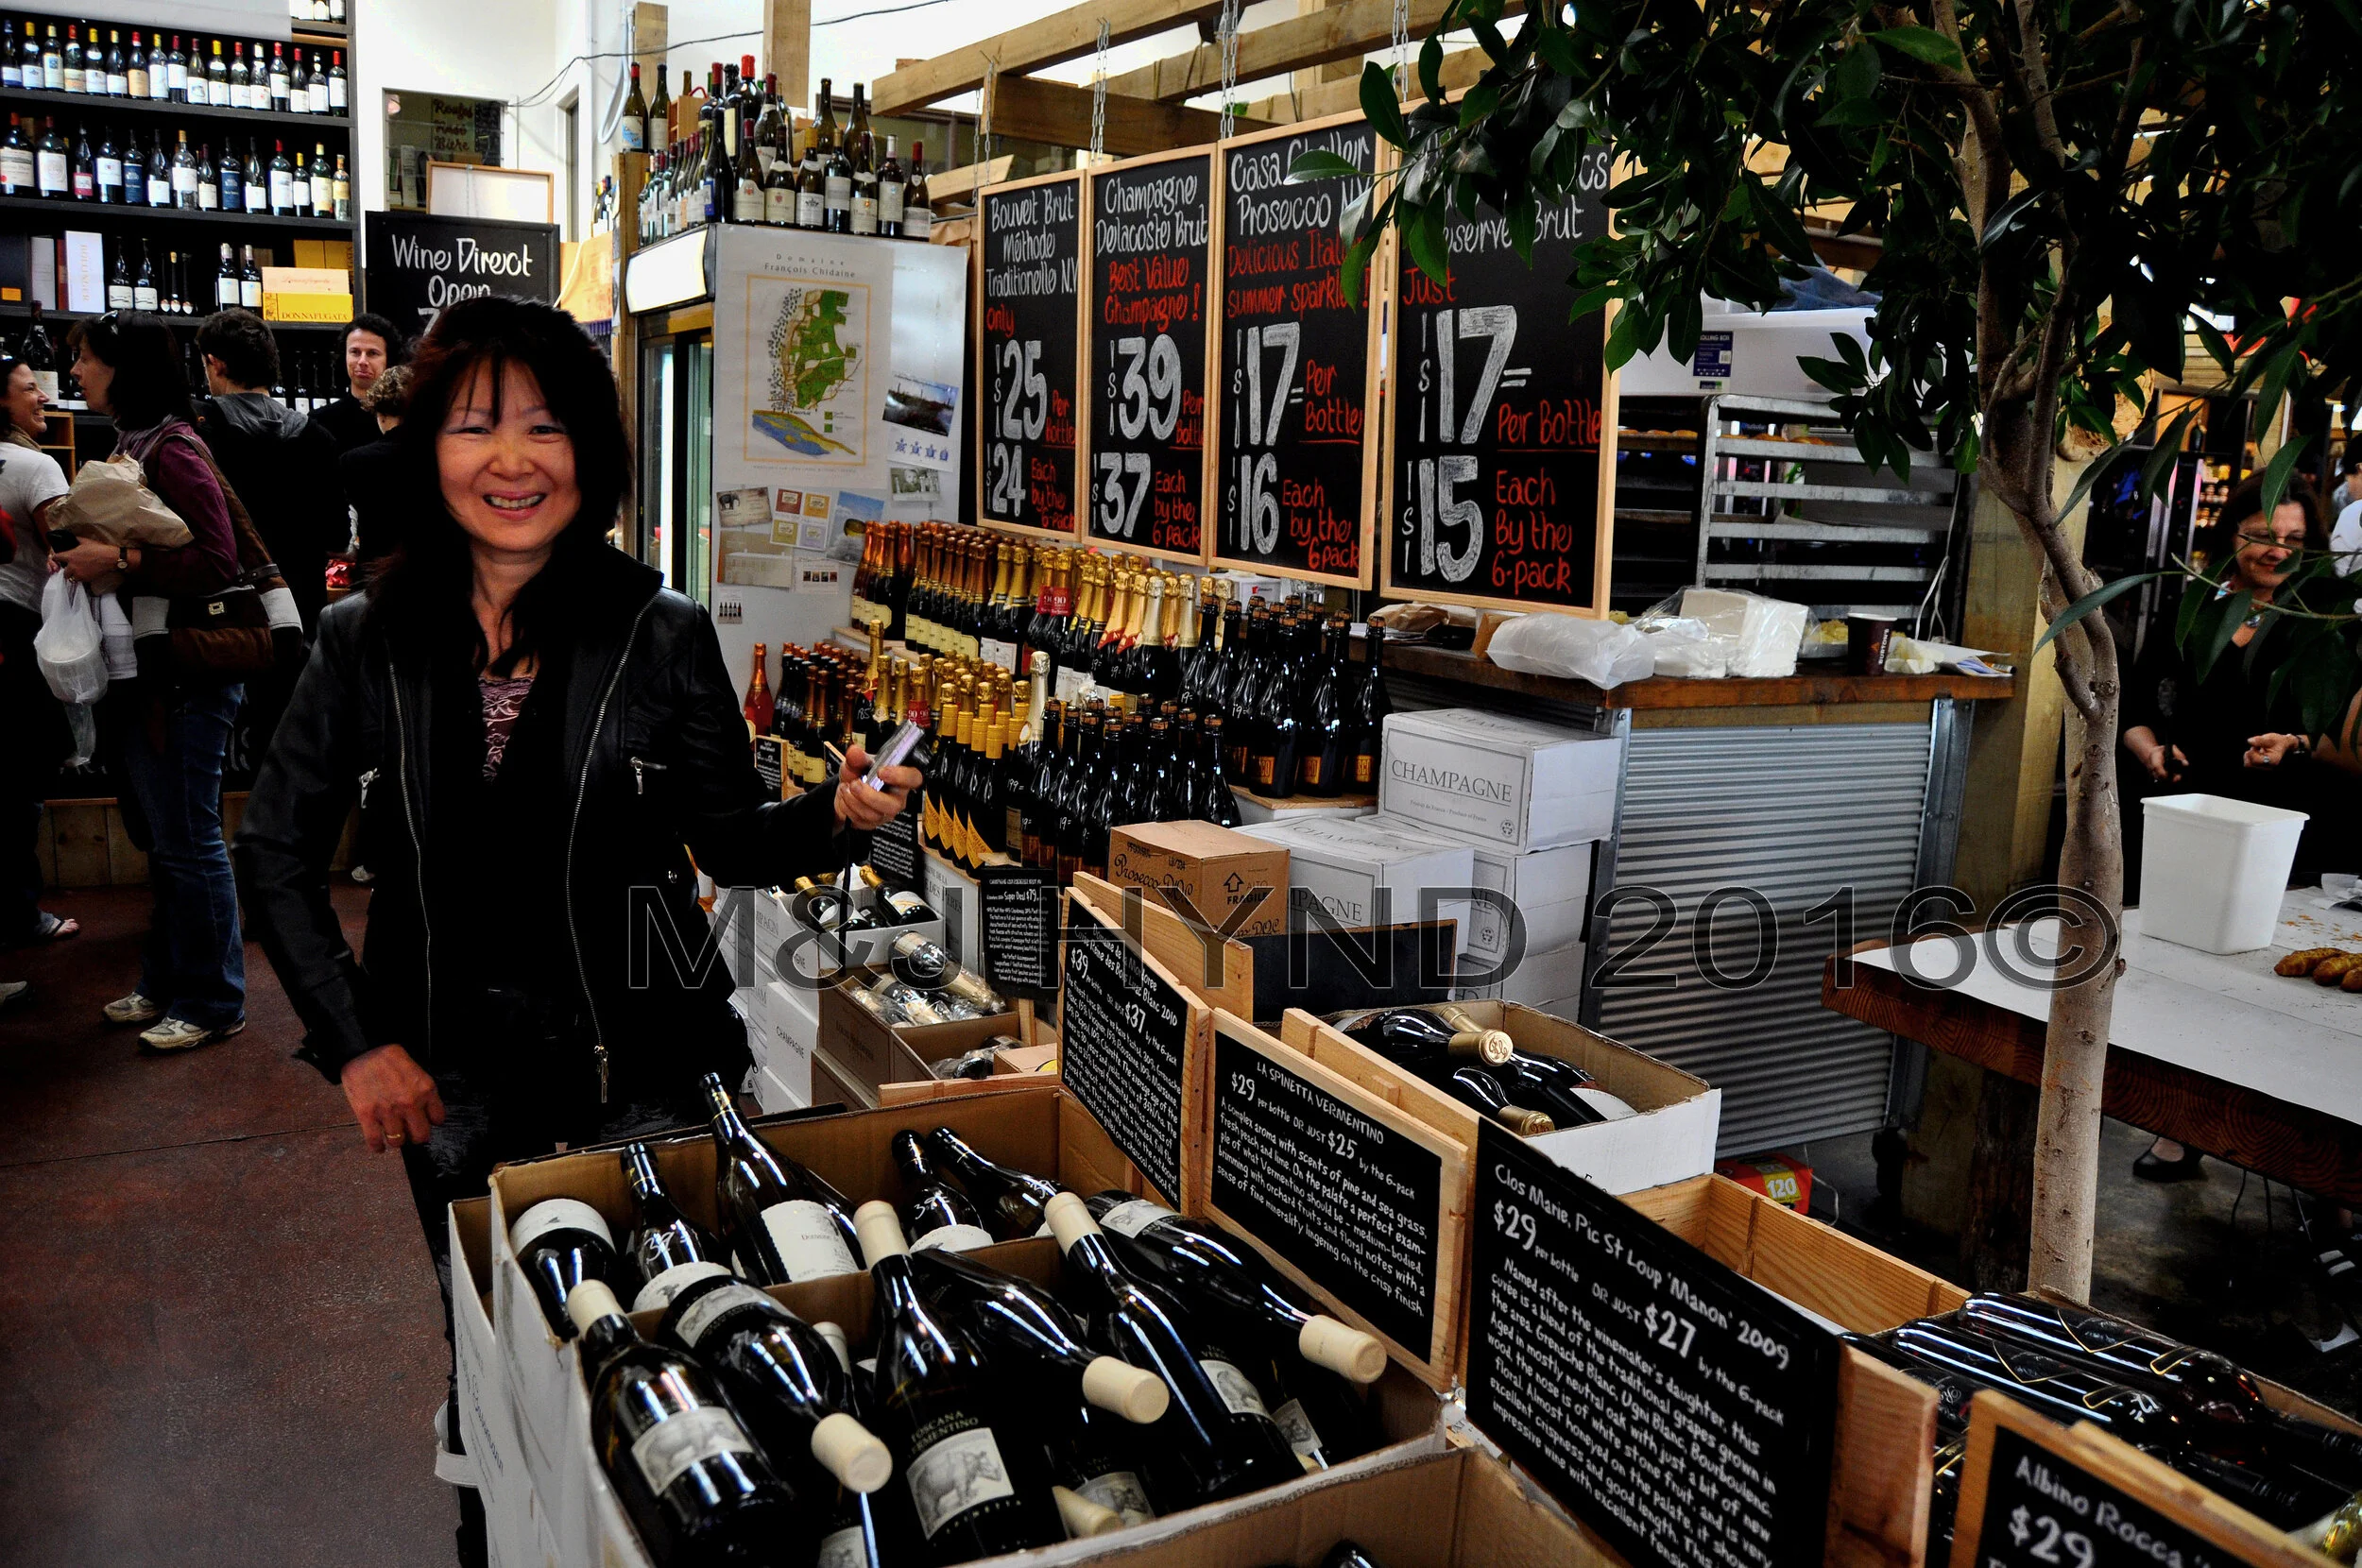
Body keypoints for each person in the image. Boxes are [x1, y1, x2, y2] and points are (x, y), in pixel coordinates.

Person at [232, 296, 917, 1565]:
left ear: (589, 458)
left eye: (546, 428)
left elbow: (729, 840)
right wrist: (355, 1041)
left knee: (666, 1344)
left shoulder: (660, 633)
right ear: (429, 445)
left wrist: (838, 813)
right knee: (494, 1351)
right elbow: (272, 851)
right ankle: (496, 1538)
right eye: (477, 426)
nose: (511, 460)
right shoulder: (363, 640)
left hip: (645, 1066)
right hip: (448, 1080)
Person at [2120, 473, 2343, 1181]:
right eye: (2260, 536)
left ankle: (2313, 1174)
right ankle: (2175, 1133)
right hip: (2190, 821)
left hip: (2282, 835)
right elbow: (2134, 705)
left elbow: (2346, 735)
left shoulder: (2324, 625)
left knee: (2274, 992)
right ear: (2232, 534)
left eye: (2293, 542)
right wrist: (2152, 750)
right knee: (2177, 978)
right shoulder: (2196, 605)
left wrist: (2298, 746)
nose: (2275, 551)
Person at [48, 313, 247, 1051]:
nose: (74, 374)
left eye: (86, 360)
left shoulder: (174, 446)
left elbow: (218, 560)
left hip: (186, 677)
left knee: (191, 841)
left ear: (123, 366)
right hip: (149, 674)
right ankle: (167, 981)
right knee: (168, 843)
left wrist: (118, 564)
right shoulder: (134, 441)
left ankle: (215, 999)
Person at [193, 309, 346, 634]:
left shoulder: (197, 431)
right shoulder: (318, 438)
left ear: (215, 362)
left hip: (221, 614)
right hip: (299, 610)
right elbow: (337, 537)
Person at [0, 355, 76, 947]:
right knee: (18, 784)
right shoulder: (35, 466)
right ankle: (19, 917)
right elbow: (71, 552)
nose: (43, 396)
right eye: (30, 389)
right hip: (15, 635)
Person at [337, 362, 410, 565]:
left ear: (380, 412)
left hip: (372, 576)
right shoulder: (440, 457)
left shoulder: (354, 461)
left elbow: (343, 537)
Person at [311, 312, 404, 452]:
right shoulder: (319, 422)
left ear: (388, 359)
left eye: (372, 353)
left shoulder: (403, 422)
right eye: (355, 352)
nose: (362, 361)